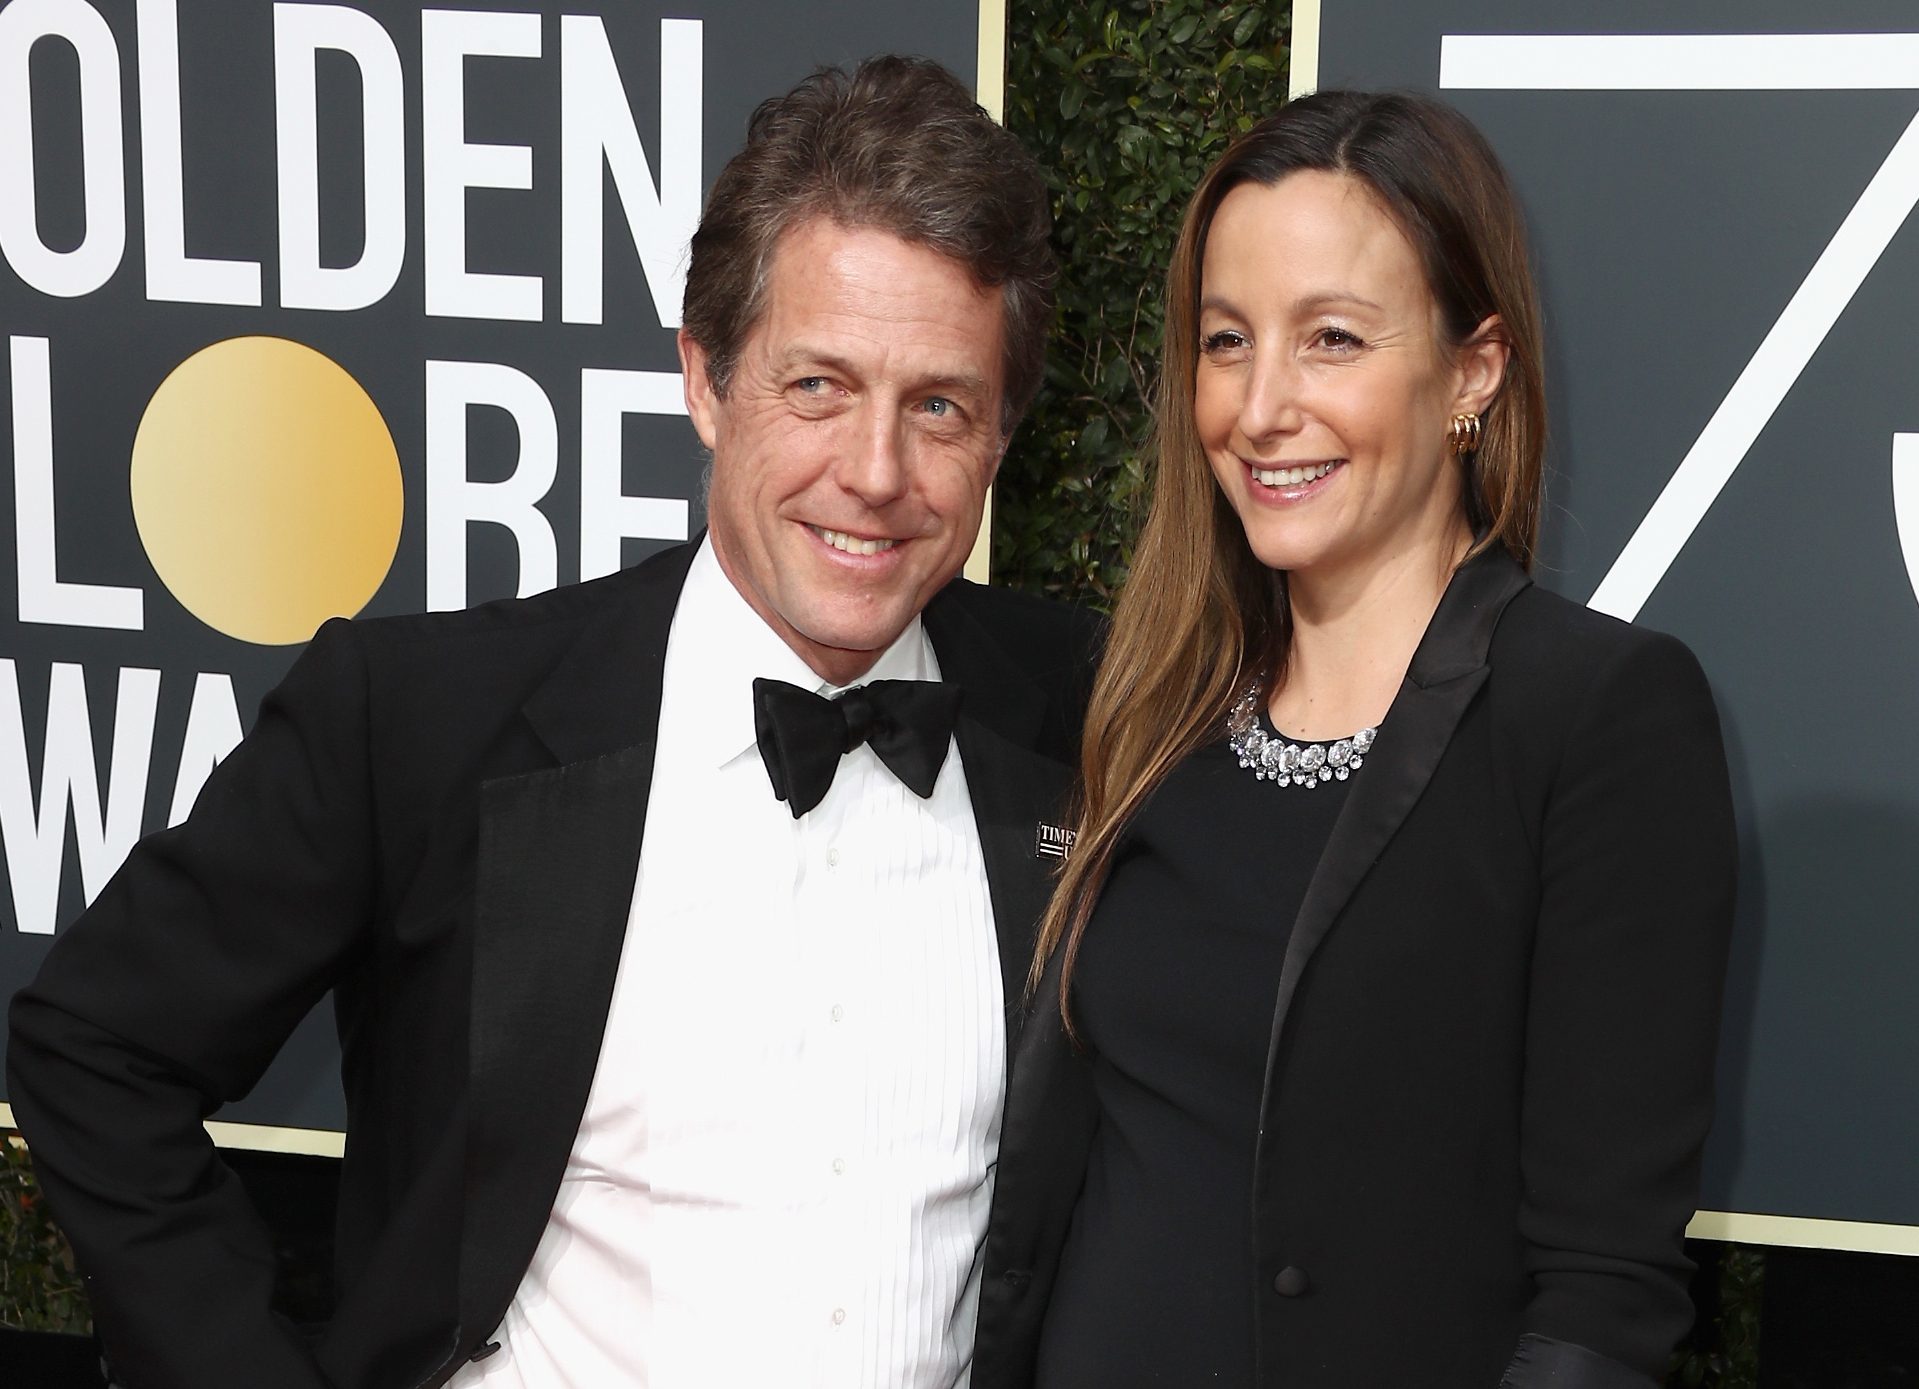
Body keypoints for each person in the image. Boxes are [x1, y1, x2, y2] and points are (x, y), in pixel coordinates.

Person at [7, 56, 1098, 1389]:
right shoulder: (423, 719)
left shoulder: (1091, 714)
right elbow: (93, 1049)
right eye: (815, 386)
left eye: (938, 406)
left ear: (1000, 437)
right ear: (706, 379)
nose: (875, 474)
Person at [973, 91, 1737, 1388]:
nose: (1263, 406)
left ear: (1474, 369)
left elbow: (1603, 1299)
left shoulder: (1597, 716)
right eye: (1227, 341)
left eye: (1331, 338)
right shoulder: (1142, 697)